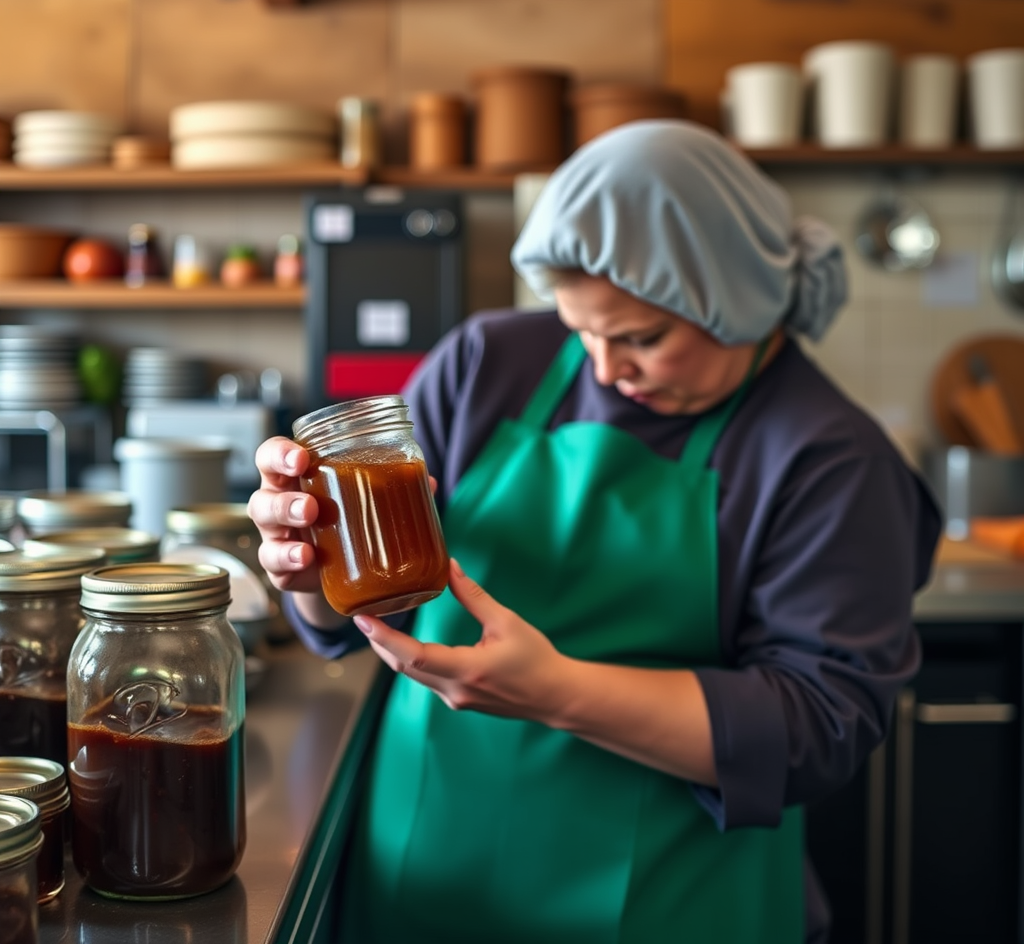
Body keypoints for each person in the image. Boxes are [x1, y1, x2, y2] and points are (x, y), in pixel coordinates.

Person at [249, 120, 942, 944]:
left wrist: (557, 693)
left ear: (737, 294)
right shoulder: (484, 363)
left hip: (668, 902)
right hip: (422, 876)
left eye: (643, 338)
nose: (606, 368)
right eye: (582, 327)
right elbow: (377, 610)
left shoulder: (829, 457)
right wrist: (311, 573)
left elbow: (818, 725)